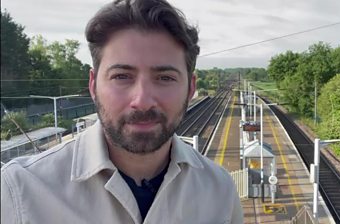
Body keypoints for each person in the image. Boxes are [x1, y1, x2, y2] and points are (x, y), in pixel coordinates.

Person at [1, 0, 244, 223]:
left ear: (191, 88)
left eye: (165, 78)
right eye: (122, 76)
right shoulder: (18, 192)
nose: (142, 100)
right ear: (93, 85)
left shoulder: (220, 190)